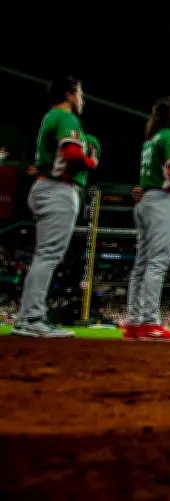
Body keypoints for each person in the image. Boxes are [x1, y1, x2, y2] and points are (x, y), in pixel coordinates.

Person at [14, 76, 98, 338]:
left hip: (46, 187)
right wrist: (91, 161)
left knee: (45, 255)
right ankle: (31, 318)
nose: (82, 99)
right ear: (70, 94)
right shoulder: (66, 118)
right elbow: (72, 154)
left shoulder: (51, 117)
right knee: (48, 255)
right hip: (57, 189)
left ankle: (28, 317)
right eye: (80, 94)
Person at [123, 97, 170, 342]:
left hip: (144, 201)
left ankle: (134, 322)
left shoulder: (150, 141)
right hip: (162, 200)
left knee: (141, 264)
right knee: (157, 263)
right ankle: (151, 322)